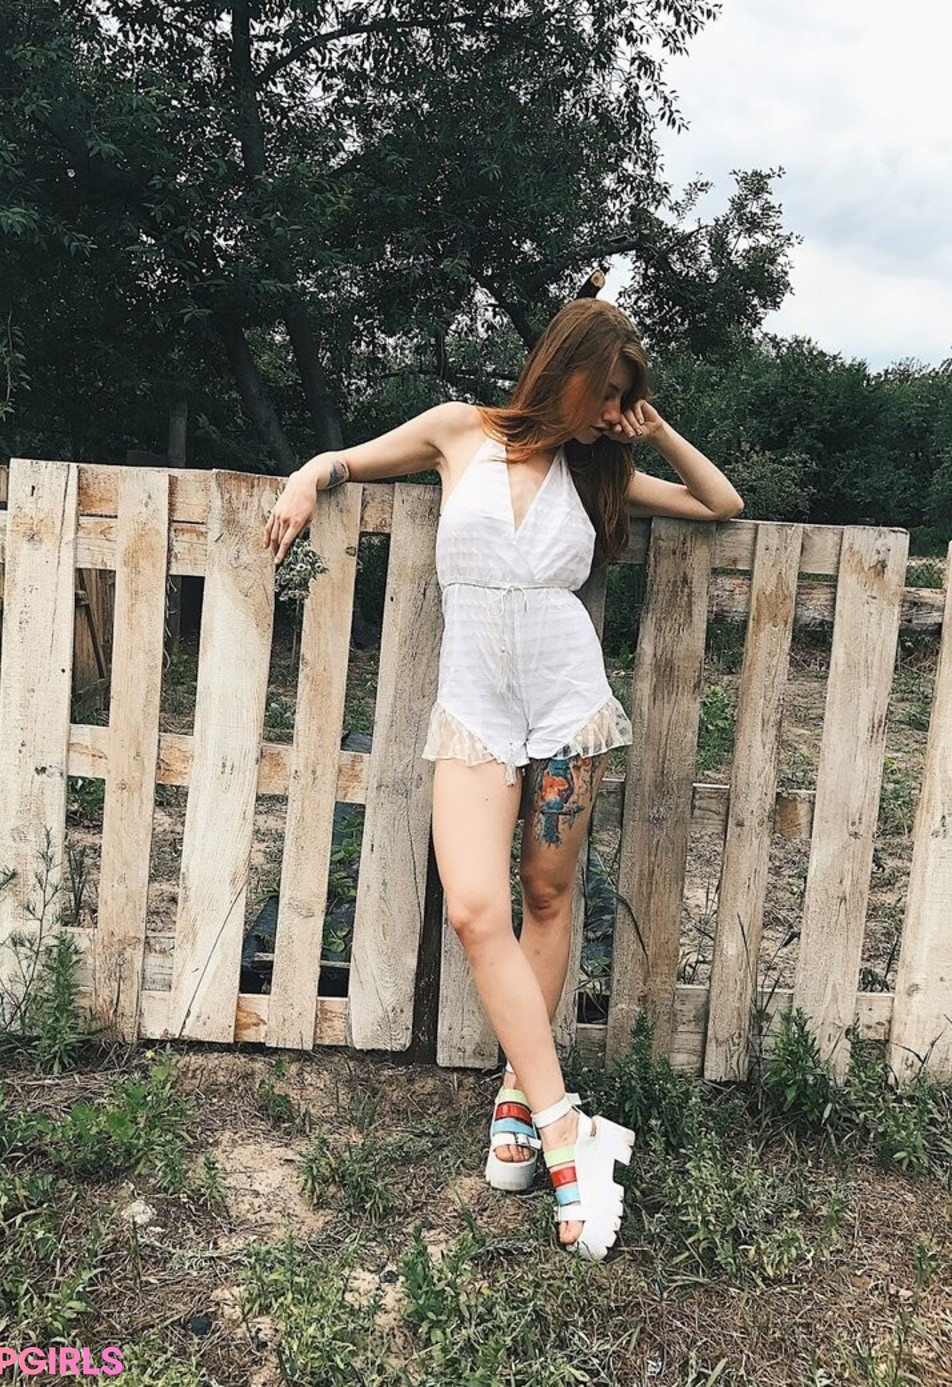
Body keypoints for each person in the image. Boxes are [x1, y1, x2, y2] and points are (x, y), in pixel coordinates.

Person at [263, 298, 744, 1260]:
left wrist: (651, 427)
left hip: (567, 703)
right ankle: (570, 1128)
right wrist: (311, 475)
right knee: (476, 908)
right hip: (475, 707)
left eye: (621, 396)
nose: (607, 409)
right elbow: (352, 458)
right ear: (562, 366)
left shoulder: (604, 471)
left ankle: (521, 1097)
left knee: (547, 895)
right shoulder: (460, 432)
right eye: (603, 389)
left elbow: (719, 504)